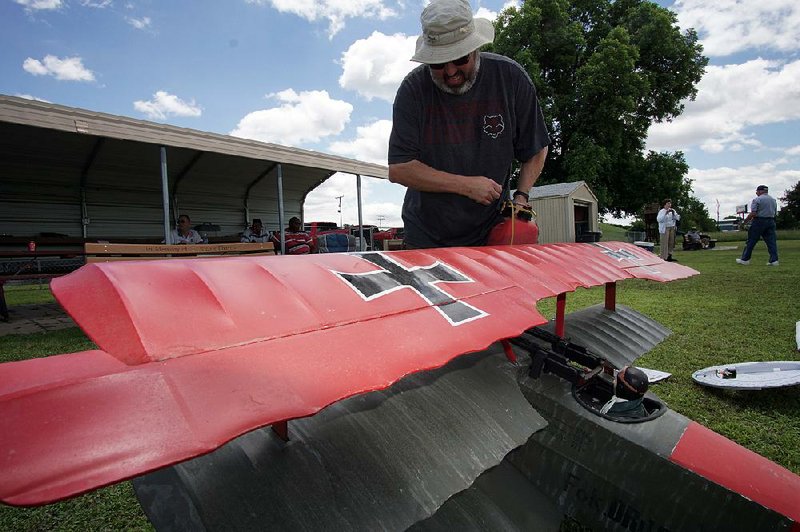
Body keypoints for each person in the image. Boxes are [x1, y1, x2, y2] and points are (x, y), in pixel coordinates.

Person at [387, 0, 550, 249]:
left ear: (474, 48)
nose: (451, 72)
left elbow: (536, 147)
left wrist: (522, 195)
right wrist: (465, 185)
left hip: (490, 232)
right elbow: (399, 169)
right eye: (438, 64)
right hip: (426, 235)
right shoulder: (413, 91)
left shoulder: (511, 79)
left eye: (460, 59)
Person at [736, 185, 779, 266]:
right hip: (771, 221)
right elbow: (774, 212)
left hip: (759, 221)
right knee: (771, 242)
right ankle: (774, 260)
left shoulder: (757, 200)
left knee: (751, 241)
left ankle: (745, 259)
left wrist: (744, 222)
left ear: (760, 191)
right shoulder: (773, 200)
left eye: (757, 191)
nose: (756, 193)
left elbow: (753, 213)